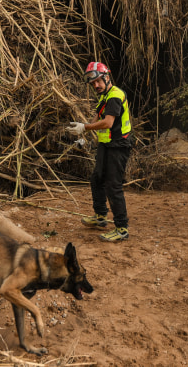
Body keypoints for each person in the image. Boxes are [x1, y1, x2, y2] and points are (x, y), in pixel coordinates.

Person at [66, 62, 133, 242]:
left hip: (118, 146)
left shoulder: (114, 96)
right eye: (93, 83)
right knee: (97, 179)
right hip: (106, 145)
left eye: (98, 81)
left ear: (107, 77)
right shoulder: (105, 97)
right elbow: (97, 117)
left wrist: (85, 127)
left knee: (113, 185)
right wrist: (83, 134)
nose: (96, 85)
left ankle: (121, 228)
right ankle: (101, 217)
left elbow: (108, 123)